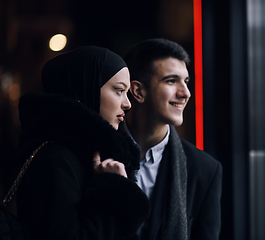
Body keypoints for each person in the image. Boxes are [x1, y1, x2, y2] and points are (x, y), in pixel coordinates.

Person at [16, 46, 149, 240]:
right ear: (86, 88)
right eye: (119, 90)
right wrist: (113, 189)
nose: (127, 104)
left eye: (127, 93)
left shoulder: (88, 155)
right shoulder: (56, 160)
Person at [123, 38, 223, 240]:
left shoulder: (204, 170)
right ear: (137, 91)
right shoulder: (95, 155)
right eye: (171, 80)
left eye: (186, 82)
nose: (185, 93)